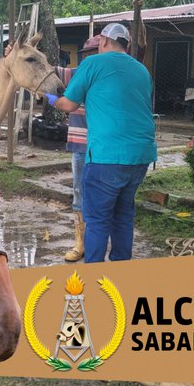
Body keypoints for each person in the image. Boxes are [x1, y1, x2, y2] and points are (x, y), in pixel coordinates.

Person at [47, 22, 156, 263]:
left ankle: (96, 276)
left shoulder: (93, 64)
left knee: (97, 219)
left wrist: (50, 97)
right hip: (140, 157)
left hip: (107, 156)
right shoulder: (141, 70)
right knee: (123, 215)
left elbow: (69, 105)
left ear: (104, 41)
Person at [48, 33, 102, 263]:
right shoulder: (75, 74)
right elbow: (47, 71)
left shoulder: (109, 77)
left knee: (100, 194)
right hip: (81, 144)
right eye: (86, 55)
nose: (88, 59)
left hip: (103, 144)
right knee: (79, 191)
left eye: (93, 54)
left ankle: (96, 241)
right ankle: (80, 242)